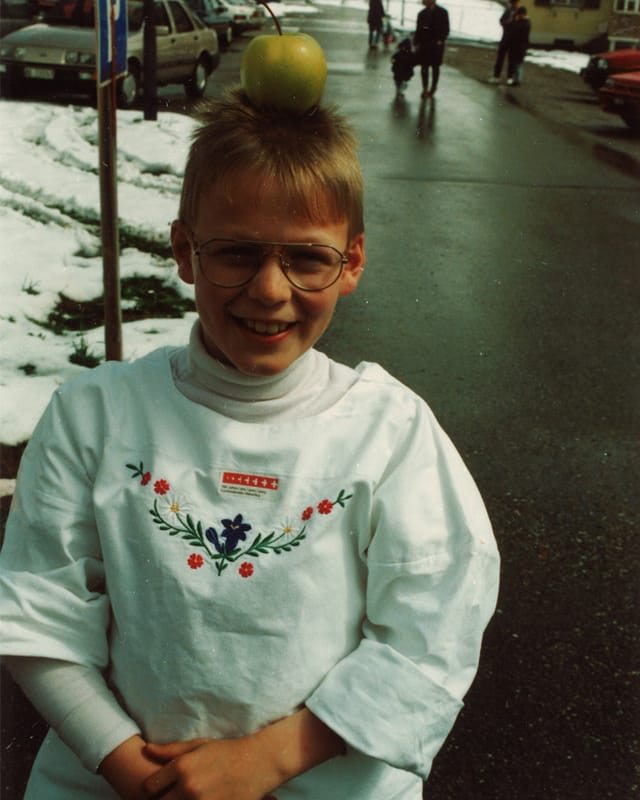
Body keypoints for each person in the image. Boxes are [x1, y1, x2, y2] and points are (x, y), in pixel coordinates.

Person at [0, 87, 500, 800]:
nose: (270, 290)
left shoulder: (388, 434)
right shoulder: (95, 415)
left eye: (307, 259)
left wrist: (268, 759)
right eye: (235, 253)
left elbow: (435, 625)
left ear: (351, 263)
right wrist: (125, 765)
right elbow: (37, 608)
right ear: (184, 250)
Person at [413, 0, 450, 98]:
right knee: (424, 67)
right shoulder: (422, 14)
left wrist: (441, 39)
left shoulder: (442, 12)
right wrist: (416, 42)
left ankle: (433, 87)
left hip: (436, 45)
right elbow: (418, 30)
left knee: (435, 67)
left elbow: (446, 28)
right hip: (425, 44)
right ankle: (425, 88)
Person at [488, 0, 520, 84]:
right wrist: (506, 23)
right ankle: (496, 76)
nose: (515, 3)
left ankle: (509, 77)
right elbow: (501, 20)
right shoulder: (508, 10)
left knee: (511, 59)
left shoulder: (519, 11)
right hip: (505, 37)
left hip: (514, 40)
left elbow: (521, 24)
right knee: (500, 58)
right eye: (514, 2)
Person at [506, 6, 530, 86]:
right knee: (514, 63)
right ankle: (514, 79)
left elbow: (518, 30)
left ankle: (517, 79)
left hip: (520, 46)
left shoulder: (525, 23)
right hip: (516, 46)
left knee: (517, 64)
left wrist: (515, 21)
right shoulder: (523, 22)